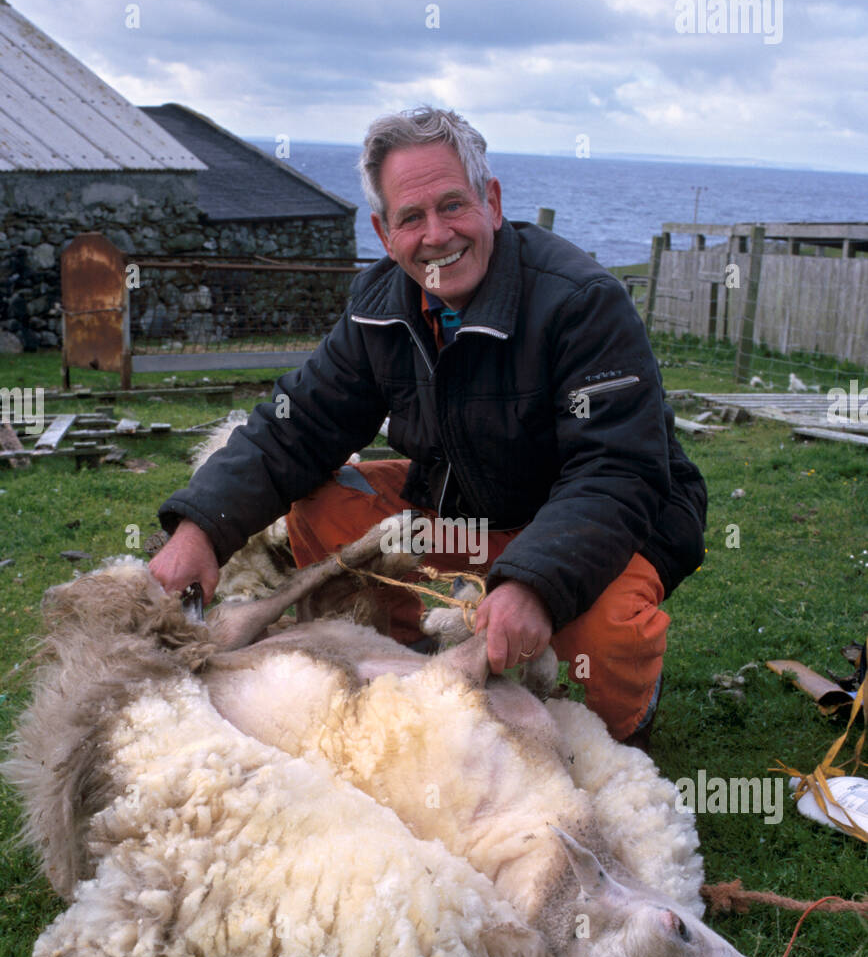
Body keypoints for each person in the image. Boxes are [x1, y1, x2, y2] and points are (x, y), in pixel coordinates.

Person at [151, 106, 707, 743]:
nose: (436, 235)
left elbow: (616, 470)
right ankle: (407, 657)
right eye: (411, 217)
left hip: (607, 516)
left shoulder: (581, 302)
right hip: (467, 505)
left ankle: (619, 722)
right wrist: (202, 527)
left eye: (453, 206)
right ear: (385, 232)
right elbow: (298, 424)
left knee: (597, 632)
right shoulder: (379, 308)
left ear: (492, 202)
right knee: (323, 511)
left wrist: (536, 584)